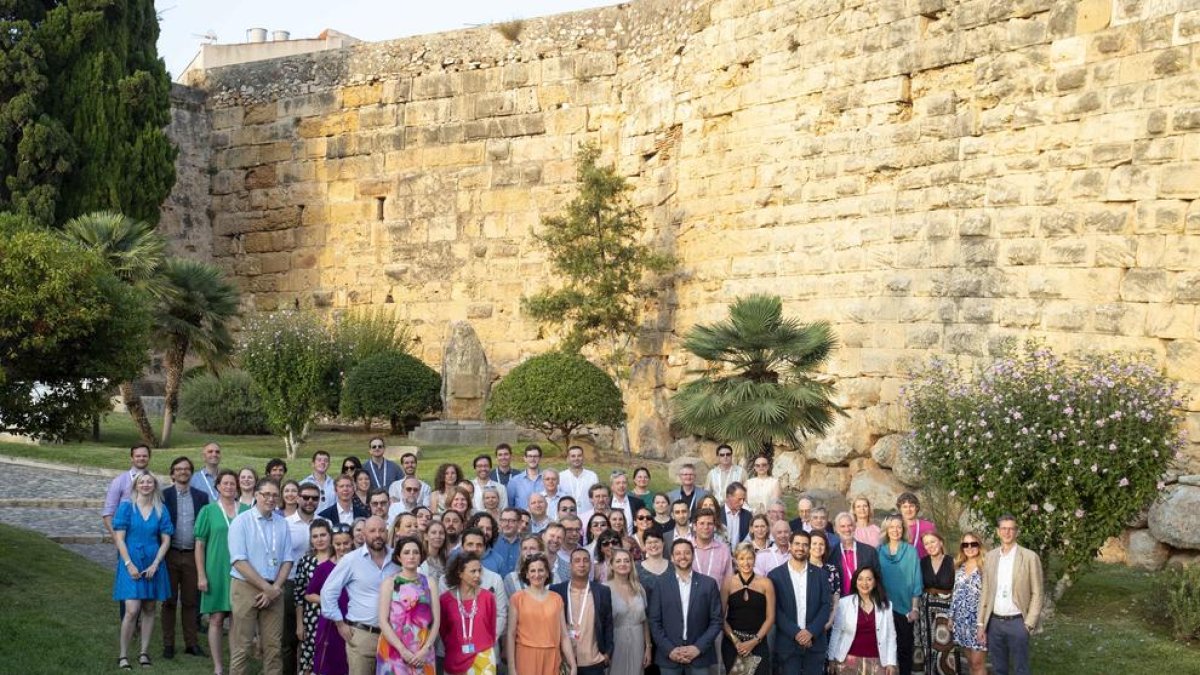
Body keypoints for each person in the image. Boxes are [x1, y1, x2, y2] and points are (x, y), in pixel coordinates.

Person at [228, 478, 296, 675]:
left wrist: (274, 588)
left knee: (274, 647)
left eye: (275, 495)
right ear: (256, 495)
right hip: (246, 586)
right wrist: (267, 589)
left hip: (275, 587)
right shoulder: (241, 521)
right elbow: (239, 561)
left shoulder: (282, 523)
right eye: (266, 494)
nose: (271, 498)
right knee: (242, 646)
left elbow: (287, 560)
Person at [320, 516, 399, 675]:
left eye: (381, 530)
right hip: (363, 635)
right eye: (372, 531)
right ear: (363, 534)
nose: (377, 534)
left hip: (394, 637)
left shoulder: (397, 559)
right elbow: (328, 592)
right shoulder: (351, 560)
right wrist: (340, 624)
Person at [113, 472, 174, 670]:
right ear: (135, 485)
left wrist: (156, 563)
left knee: (149, 608)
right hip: (130, 561)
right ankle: (123, 655)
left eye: (150, 482)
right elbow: (120, 538)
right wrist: (128, 563)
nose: (146, 485)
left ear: (155, 486)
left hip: (153, 562)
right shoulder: (126, 508)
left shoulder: (161, 509)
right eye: (142, 482)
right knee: (132, 610)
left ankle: (143, 653)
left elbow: (166, 540)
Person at [195, 469, 251, 675]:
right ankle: (218, 666)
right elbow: (199, 545)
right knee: (217, 619)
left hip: (241, 572)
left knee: (238, 621)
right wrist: (201, 575)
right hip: (215, 570)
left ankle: (236, 666)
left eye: (232, 483)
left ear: (237, 487)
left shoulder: (247, 510)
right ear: (217, 486)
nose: (229, 486)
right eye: (224, 483)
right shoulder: (208, 511)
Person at [976, 515, 1043, 675]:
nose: (1007, 532)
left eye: (1011, 528)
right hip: (995, 623)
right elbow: (985, 591)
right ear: (998, 532)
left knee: (1021, 668)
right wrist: (981, 624)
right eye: (1004, 529)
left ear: (1017, 532)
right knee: (999, 668)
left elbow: (1038, 592)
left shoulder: (1029, 557)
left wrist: (1028, 624)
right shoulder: (991, 557)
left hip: (1018, 622)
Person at [648, 539, 724, 675]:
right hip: (669, 656)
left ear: (693, 556)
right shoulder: (660, 584)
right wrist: (669, 649)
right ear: (671, 558)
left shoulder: (709, 584)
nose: (682, 556)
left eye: (687, 553)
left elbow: (716, 621)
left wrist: (698, 648)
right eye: (678, 553)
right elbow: (654, 621)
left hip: (700, 656)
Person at [161, 456, 209, 659]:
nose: (183, 472)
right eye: (179, 469)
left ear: (191, 472)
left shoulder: (201, 496)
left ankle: (191, 644)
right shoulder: (164, 495)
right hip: (170, 554)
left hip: (192, 555)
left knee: (191, 602)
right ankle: (169, 644)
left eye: (187, 469)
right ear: (172, 473)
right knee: (169, 601)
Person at [768, 530, 832, 675]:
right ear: (790, 545)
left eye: (805, 545)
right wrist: (797, 633)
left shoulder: (821, 575)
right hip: (787, 645)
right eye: (797, 543)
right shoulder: (775, 575)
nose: (800, 548)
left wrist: (810, 632)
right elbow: (775, 609)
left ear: (809, 548)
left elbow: (826, 606)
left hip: (815, 644)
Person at [377, 535, 440, 674]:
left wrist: (426, 648)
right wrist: (402, 650)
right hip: (394, 648)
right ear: (399, 557)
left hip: (423, 650)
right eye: (406, 552)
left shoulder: (430, 583)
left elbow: (436, 621)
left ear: (420, 556)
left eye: (415, 552)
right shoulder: (389, 583)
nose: (411, 556)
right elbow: (382, 621)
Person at [508, 553, 577, 675]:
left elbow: (564, 636)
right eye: (532, 571)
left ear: (547, 573)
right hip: (525, 657)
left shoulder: (557, 599)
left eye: (541, 570)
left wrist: (573, 665)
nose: (537, 574)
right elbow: (511, 634)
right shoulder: (517, 598)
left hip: (552, 657)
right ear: (527, 574)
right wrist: (512, 668)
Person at [553, 547, 615, 674]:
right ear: (570, 565)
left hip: (593, 661)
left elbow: (608, 624)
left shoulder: (602, 592)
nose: (581, 564)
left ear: (591, 565)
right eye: (577, 561)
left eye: (585, 560)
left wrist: (608, 653)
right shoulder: (556, 591)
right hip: (564, 662)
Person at [827, 567, 899, 675]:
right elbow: (837, 631)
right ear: (855, 582)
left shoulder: (886, 606)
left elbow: (891, 636)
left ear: (875, 582)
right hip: (848, 661)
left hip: (878, 663)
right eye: (860, 579)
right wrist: (831, 658)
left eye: (869, 579)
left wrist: (891, 662)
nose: (864, 583)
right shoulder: (844, 603)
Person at [285, 482, 324, 672]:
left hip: (317, 588)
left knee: (311, 637)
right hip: (291, 582)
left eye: (314, 498)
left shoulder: (325, 524)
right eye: (306, 497)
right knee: (290, 637)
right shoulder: (286, 524)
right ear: (298, 498)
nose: (310, 501)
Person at [877, 515, 923, 675]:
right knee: (885, 649)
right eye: (891, 527)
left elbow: (916, 581)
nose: (895, 530)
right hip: (883, 608)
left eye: (898, 527)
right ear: (886, 530)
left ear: (903, 529)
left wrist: (915, 608)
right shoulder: (879, 551)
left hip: (905, 610)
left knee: (904, 649)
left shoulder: (911, 551)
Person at [721, 541, 775, 675]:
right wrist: (736, 642)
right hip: (733, 644)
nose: (746, 562)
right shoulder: (728, 583)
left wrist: (754, 641)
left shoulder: (766, 583)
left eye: (750, 558)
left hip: (758, 642)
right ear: (735, 560)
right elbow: (720, 617)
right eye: (742, 558)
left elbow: (770, 617)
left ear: (755, 559)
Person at [440, 552, 498, 675]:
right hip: (454, 658)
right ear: (460, 573)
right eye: (473, 571)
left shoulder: (487, 597)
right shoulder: (445, 600)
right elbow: (443, 631)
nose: (478, 575)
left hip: (483, 658)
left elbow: (491, 629)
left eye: (479, 571)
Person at [308, 527, 356, 675]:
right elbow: (309, 594)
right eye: (338, 544)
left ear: (352, 542)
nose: (342, 548)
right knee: (330, 662)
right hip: (331, 623)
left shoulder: (360, 565)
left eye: (346, 543)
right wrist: (328, 600)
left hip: (354, 621)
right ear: (333, 545)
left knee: (351, 662)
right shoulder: (324, 568)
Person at [295, 520, 334, 675]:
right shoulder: (305, 561)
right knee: (310, 659)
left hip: (335, 617)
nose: (320, 539)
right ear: (310, 540)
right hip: (311, 618)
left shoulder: (339, 559)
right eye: (315, 536)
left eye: (323, 535)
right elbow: (299, 594)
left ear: (330, 536)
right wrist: (300, 624)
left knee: (332, 657)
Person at [606, 547, 652, 675]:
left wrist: (648, 647)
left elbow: (645, 621)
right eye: (618, 561)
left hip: (638, 641)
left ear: (631, 564)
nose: (623, 564)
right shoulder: (604, 589)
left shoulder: (639, 588)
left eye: (626, 561)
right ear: (612, 565)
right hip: (615, 643)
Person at [918, 532, 958, 675]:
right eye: (926, 543)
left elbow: (957, 589)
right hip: (926, 610)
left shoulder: (952, 562)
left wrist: (954, 615)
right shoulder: (922, 563)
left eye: (933, 542)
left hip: (946, 612)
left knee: (945, 649)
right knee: (927, 647)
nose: (930, 546)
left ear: (941, 542)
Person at [949, 533, 987, 675]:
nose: (969, 547)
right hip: (961, 621)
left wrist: (983, 624)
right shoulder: (959, 566)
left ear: (979, 545)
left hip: (979, 622)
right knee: (971, 662)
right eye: (965, 544)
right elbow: (956, 593)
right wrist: (951, 617)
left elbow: (989, 596)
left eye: (973, 544)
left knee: (978, 663)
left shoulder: (985, 566)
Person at [103, 444, 152, 538]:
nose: (141, 458)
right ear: (131, 458)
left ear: (149, 458)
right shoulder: (119, 481)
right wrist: (117, 539)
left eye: (144, 456)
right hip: (126, 536)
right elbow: (108, 513)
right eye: (138, 456)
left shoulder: (154, 481)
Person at [829, 512, 881, 600]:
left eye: (850, 525)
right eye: (842, 526)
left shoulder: (869, 552)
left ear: (855, 527)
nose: (847, 529)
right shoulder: (830, 554)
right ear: (836, 529)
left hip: (865, 601)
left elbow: (878, 578)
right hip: (840, 603)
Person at [692, 508, 732, 589]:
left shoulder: (723, 550)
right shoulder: (685, 547)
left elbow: (728, 581)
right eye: (702, 523)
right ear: (694, 526)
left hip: (716, 599)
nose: (706, 527)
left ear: (714, 526)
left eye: (709, 524)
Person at [809, 532, 841, 631]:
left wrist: (830, 622)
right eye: (814, 543)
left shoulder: (831, 569)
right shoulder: (801, 568)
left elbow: (836, 599)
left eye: (821, 544)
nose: (818, 547)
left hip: (826, 622)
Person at [559, 445, 600, 515]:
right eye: (573, 456)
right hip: (567, 518)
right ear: (568, 458)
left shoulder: (592, 476)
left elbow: (597, 497)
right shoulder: (561, 476)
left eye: (579, 456)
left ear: (583, 457)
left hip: (588, 517)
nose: (576, 458)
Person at [896, 493, 937, 559]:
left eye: (911, 506)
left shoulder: (928, 526)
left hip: (924, 566)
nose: (908, 510)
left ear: (917, 507)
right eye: (905, 506)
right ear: (900, 509)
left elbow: (938, 548)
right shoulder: (894, 528)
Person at [507, 444, 545, 509]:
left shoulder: (547, 479)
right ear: (525, 458)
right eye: (530, 456)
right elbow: (510, 506)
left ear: (540, 458)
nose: (532, 459)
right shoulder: (514, 481)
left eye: (535, 456)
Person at [720, 482, 752, 548]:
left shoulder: (748, 516)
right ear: (729, 497)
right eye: (739, 499)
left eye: (743, 499)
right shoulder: (717, 513)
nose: (742, 502)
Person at [420, 520, 450, 586]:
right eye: (433, 533)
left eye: (441, 533)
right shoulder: (419, 558)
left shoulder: (447, 560)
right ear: (426, 536)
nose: (438, 536)